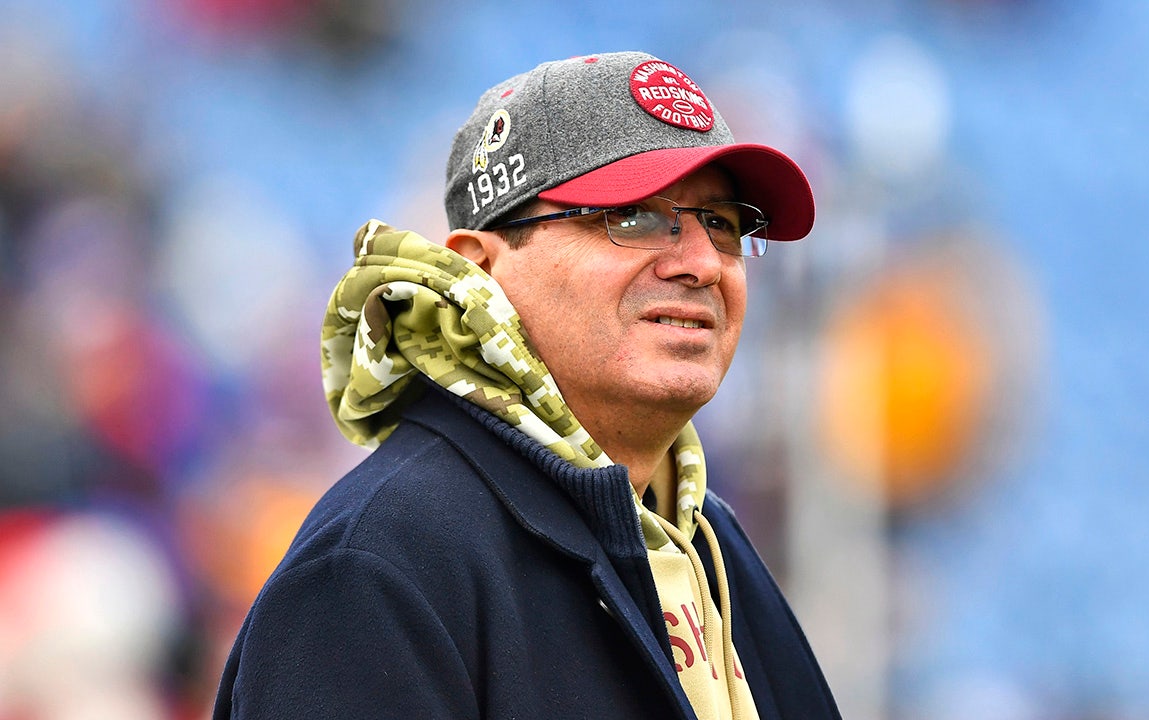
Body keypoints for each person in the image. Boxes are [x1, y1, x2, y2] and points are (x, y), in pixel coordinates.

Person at [213, 50, 841, 720]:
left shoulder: (710, 541)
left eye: (721, 224)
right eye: (632, 216)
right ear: (479, 270)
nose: (700, 264)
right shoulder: (375, 567)